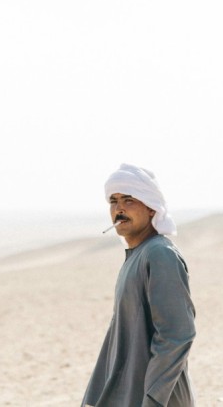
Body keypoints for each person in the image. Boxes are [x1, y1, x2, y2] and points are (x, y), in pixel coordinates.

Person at [82, 163, 196, 407]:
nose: (119, 208)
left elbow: (176, 335)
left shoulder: (159, 254)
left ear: (152, 209)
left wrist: (153, 400)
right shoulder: (137, 255)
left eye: (129, 200)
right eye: (113, 201)